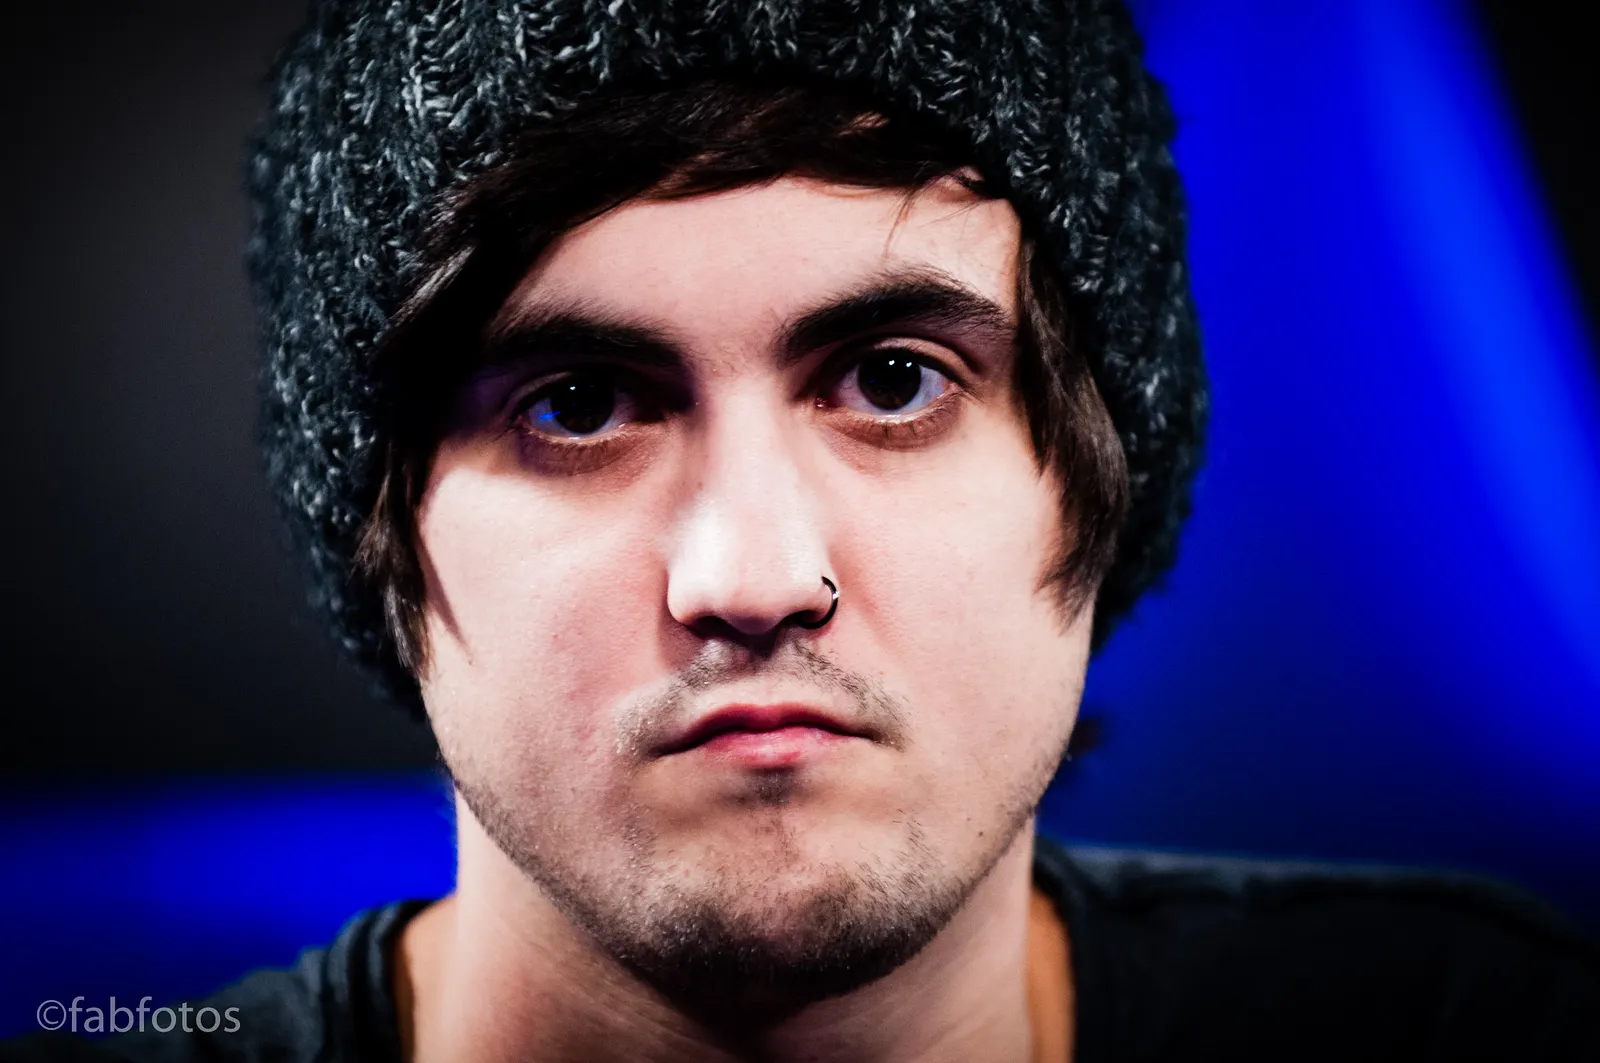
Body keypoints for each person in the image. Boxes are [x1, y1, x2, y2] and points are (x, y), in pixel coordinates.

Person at [6, 1, 1597, 1061]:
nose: (753, 579)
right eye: (578, 403)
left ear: (1100, 478)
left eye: (894, 379)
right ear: (382, 535)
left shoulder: (1467, 1028)